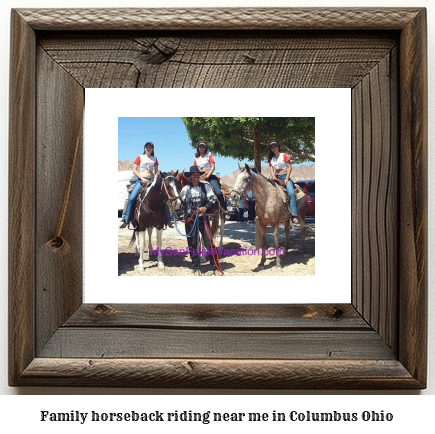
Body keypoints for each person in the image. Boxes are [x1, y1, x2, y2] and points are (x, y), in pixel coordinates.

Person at [180, 166, 223, 276]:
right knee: (193, 244)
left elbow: (212, 199)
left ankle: (216, 267)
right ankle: (196, 268)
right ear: (190, 177)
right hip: (190, 220)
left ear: (199, 176)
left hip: (203, 219)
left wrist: (206, 207)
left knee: (209, 243)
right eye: (193, 175)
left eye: (197, 175)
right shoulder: (185, 189)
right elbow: (180, 203)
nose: (195, 176)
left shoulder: (206, 187)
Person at [119, 142, 173, 228]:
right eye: (147, 147)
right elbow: (134, 170)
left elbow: (156, 172)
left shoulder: (154, 159)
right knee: (132, 197)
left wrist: (154, 180)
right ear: (144, 148)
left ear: (152, 149)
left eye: (150, 147)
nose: (149, 148)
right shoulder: (139, 157)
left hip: (151, 180)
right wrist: (142, 178)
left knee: (163, 197)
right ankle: (126, 219)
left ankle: (168, 220)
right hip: (141, 180)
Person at [268, 140, 298, 223]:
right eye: (272, 147)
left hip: (285, 176)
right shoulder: (271, 159)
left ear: (278, 147)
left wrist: (287, 178)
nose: (274, 148)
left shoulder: (284, 155)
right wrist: (274, 177)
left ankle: (294, 214)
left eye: (275, 146)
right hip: (276, 177)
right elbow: (271, 169)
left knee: (291, 193)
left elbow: (289, 167)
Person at [192, 141, 227, 212]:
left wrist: (208, 175)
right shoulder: (196, 158)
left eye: (203, 147)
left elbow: (213, 167)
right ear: (198, 148)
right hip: (200, 177)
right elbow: (194, 168)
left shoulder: (209, 155)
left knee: (218, 193)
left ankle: (224, 209)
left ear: (205, 148)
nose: (202, 148)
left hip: (209, 177)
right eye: (200, 147)